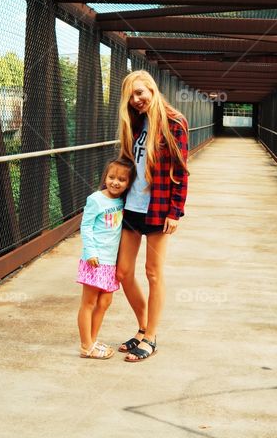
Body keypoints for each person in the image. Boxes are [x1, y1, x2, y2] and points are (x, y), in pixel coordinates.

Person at [115, 70, 189, 362]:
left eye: (140, 93)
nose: (136, 100)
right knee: (122, 273)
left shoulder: (174, 122)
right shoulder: (133, 122)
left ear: (153, 90)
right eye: (131, 96)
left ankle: (151, 337)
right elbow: (126, 164)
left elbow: (181, 171)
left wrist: (176, 212)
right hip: (131, 207)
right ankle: (143, 326)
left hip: (158, 209)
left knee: (153, 273)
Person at [77, 157, 134, 359]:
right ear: (105, 177)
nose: (115, 182)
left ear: (128, 183)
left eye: (121, 179)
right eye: (111, 177)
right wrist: (90, 252)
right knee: (89, 303)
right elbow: (86, 226)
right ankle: (86, 346)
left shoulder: (121, 202)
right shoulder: (96, 199)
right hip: (95, 260)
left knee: (105, 302)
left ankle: (92, 341)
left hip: (110, 262)